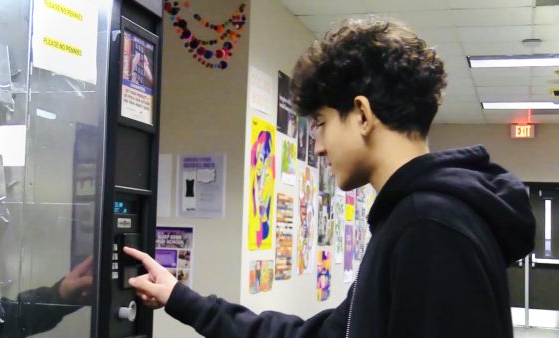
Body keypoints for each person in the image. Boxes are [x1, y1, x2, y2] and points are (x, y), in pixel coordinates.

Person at [124, 17, 536, 338]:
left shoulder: (429, 225)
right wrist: (182, 298)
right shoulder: (412, 218)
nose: (318, 146)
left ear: (361, 114)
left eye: (320, 123)